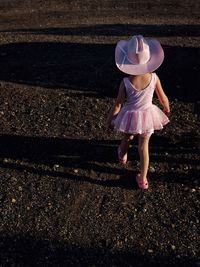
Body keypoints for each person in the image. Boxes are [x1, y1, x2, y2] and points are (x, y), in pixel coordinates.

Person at [106, 35, 170, 189]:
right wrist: (166, 108)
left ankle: (122, 155)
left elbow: (118, 104)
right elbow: (163, 98)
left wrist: (110, 120)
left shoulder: (126, 82)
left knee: (127, 137)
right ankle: (143, 178)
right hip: (148, 115)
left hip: (130, 116)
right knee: (144, 147)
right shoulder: (154, 77)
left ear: (127, 61)